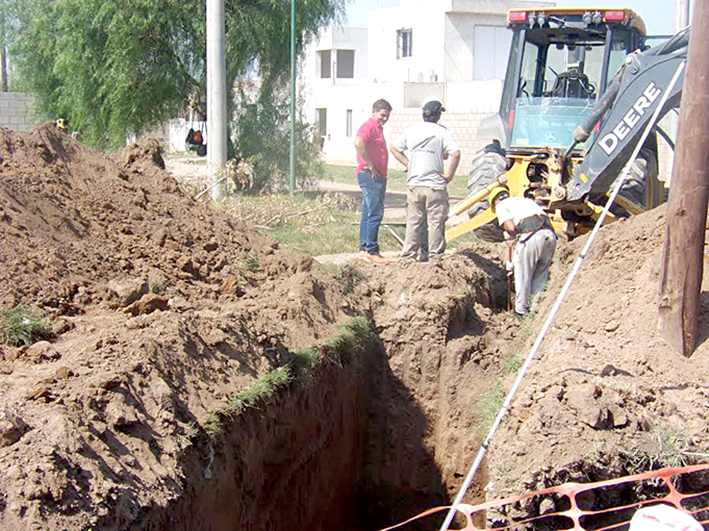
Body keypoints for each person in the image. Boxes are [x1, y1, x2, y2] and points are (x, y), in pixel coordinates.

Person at [390, 97, 460, 261]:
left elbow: (394, 148)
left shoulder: (411, 130)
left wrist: (409, 164)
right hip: (435, 186)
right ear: (438, 116)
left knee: (414, 221)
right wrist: (449, 175)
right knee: (435, 221)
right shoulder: (442, 132)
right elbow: (455, 153)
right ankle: (435, 256)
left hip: (414, 184)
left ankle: (408, 255)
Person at [490, 185, 557, 318]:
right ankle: (535, 310)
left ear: (495, 201)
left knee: (523, 275)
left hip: (531, 237)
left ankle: (520, 312)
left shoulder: (501, 205)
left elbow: (510, 227)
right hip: (550, 237)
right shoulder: (525, 201)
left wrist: (510, 234)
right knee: (540, 275)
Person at [354, 99, 393, 265]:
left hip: (374, 175)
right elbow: (358, 142)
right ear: (374, 111)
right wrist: (370, 165)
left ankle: (364, 249)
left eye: (387, 116)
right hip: (370, 176)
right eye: (382, 115)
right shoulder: (369, 126)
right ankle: (371, 250)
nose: (384, 118)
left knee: (368, 212)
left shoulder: (377, 128)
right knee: (375, 213)